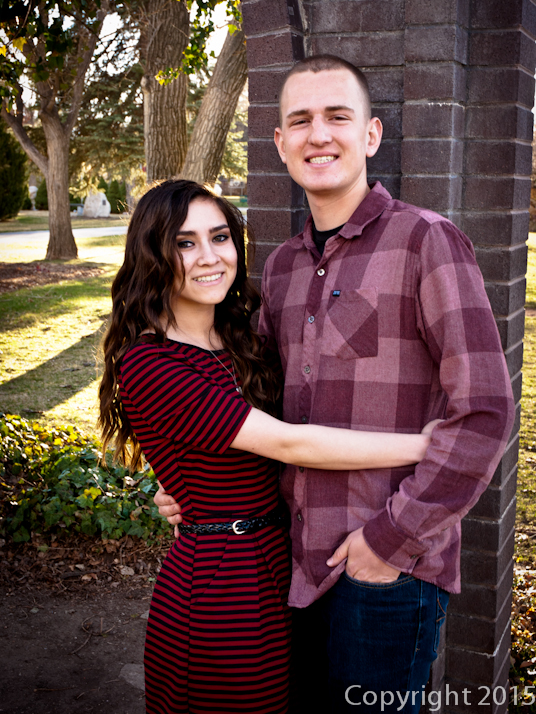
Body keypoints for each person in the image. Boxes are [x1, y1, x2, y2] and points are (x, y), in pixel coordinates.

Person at [155, 56, 516, 713]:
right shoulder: (283, 268)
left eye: (337, 117)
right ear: (280, 143)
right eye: (300, 121)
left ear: (370, 135)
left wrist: (388, 544)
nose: (318, 134)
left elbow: (485, 413)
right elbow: (254, 408)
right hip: (291, 560)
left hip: (385, 572)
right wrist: (193, 482)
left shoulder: (426, 242)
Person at [98, 178, 438, 714]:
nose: (209, 256)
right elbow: (290, 442)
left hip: (279, 565)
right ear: (152, 256)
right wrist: (423, 447)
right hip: (219, 584)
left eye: (220, 237)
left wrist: (178, 485)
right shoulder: (150, 363)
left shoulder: (241, 337)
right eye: (185, 243)